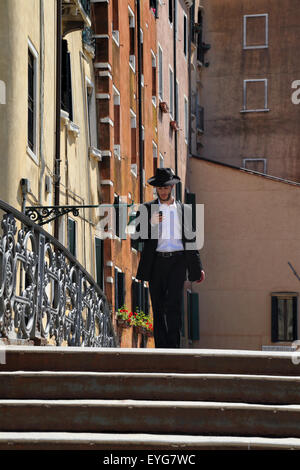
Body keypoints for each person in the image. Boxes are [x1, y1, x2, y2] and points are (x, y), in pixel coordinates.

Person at [131, 167, 205, 348]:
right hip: (156, 263)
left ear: (172, 187)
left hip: (178, 262)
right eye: (160, 188)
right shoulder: (147, 208)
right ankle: (161, 349)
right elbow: (136, 237)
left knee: (174, 304)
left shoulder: (185, 210)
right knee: (157, 306)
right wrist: (150, 224)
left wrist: (198, 268)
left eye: (166, 187)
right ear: (156, 189)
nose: (163, 191)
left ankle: (174, 348)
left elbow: (191, 241)